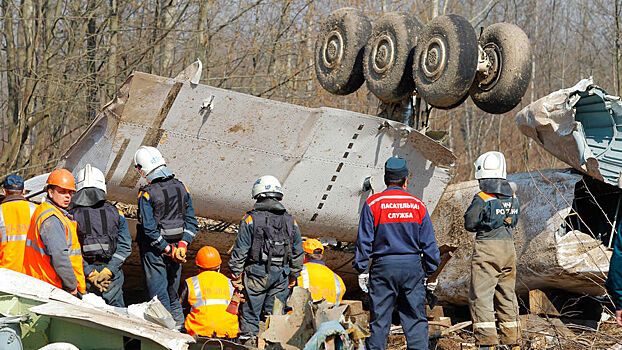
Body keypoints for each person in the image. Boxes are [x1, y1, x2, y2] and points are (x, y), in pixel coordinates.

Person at [353, 157, 440, 350]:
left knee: (380, 321)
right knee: (415, 320)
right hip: (412, 267)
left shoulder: (373, 204)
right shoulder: (417, 205)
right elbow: (429, 243)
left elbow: (364, 240)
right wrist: (432, 272)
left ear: (385, 179)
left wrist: (361, 269)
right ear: (405, 180)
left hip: (383, 267)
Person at [229, 175, 303, 341]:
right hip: (281, 276)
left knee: (249, 318)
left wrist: (236, 275)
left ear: (258, 195)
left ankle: (249, 343)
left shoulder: (250, 219)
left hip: (256, 275)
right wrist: (294, 274)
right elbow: (298, 251)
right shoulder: (291, 222)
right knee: (275, 318)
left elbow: (240, 251)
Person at [134, 146, 198, 330]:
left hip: (156, 252)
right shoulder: (181, 187)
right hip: (178, 250)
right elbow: (192, 223)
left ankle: (167, 337)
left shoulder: (146, 193)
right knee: (172, 293)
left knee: (158, 298)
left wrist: (167, 249)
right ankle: (180, 332)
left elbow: (149, 229)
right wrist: (182, 246)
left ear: (142, 168)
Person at [464, 151, 521, 350]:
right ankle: (512, 341)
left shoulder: (481, 197)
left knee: (481, 297)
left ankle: (486, 343)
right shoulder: (513, 197)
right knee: (507, 295)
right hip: (509, 249)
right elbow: (514, 221)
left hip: (488, 249)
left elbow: (470, 223)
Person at [69, 164, 132, 307]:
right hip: (111, 276)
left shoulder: (70, 216)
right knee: (118, 316)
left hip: (84, 276)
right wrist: (109, 270)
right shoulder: (117, 213)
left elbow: (70, 249)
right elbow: (125, 246)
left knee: (85, 314)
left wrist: (91, 274)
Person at [24, 169, 86, 296]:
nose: (67, 196)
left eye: (70, 192)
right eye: (62, 192)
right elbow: (60, 256)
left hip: (44, 282)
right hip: (52, 285)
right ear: (51, 193)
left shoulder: (45, 211)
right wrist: (71, 285)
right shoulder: (52, 218)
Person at [180, 246, 239, 340]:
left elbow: (182, 309)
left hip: (199, 334)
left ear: (198, 266)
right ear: (219, 266)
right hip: (229, 334)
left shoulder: (192, 282)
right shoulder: (229, 283)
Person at [0, 175, 37, 273]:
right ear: (23, 191)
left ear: (4, 191)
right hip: (33, 273)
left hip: (6, 273)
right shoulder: (37, 210)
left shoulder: (0, 211)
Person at [296, 238, 345, 304]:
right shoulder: (337, 278)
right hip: (330, 313)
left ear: (304, 256)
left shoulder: (299, 272)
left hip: (301, 313)